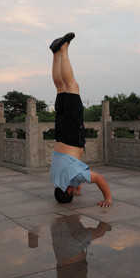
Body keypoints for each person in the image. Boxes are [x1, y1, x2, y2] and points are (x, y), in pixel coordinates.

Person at [49, 32, 112, 208]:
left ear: (67, 191)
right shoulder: (56, 178)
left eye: (72, 192)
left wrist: (107, 199)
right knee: (60, 88)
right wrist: (77, 187)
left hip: (71, 136)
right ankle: (56, 54)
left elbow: (100, 179)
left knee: (72, 86)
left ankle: (64, 48)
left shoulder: (74, 178)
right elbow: (71, 174)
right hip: (60, 135)